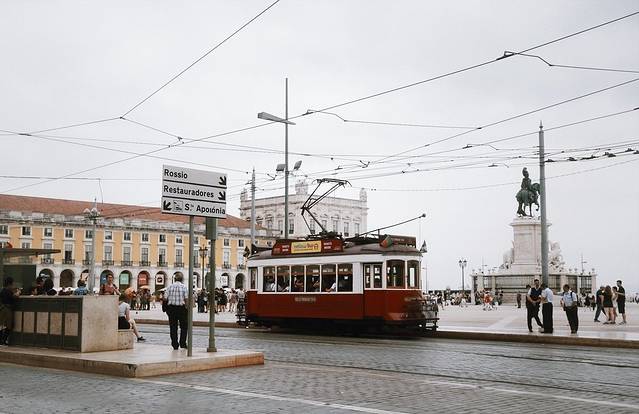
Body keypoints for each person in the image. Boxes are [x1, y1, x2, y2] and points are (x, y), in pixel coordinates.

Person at [165, 273, 189, 350]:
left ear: (174, 279)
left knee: (173, 327)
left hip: (172, 309)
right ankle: (182, 343)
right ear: (182, 279)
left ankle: (175, 344)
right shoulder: (184, 287)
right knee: (184, 327)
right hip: (182, 309)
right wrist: (187, 308)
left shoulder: (169, 287)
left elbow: (165, 298)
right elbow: (186, 299)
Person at [0, 277, 19, 345]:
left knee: (2, 325)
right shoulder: (8, 291)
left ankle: (1, 341)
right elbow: (15, 297)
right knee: (8, 325)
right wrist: (18, 292)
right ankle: (3, 340)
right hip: (8, 310)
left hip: (2, 309)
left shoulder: (2, 290)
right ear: (9, 284)